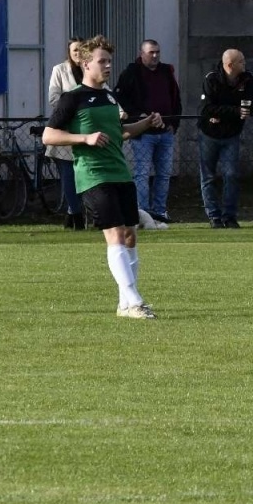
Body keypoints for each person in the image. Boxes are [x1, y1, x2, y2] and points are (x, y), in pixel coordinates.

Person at [42, 36, 164, 319]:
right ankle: (135, 301)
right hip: (93, 175)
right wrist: (84, 138)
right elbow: (49, 135)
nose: (108, 66)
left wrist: (146, 123)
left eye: (109, 61)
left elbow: (119, 133)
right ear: (86, 64)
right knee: (115, 234)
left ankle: (124, 304)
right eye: (102, 61)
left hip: (120, 172)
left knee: (130, 236)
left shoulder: (109, 97)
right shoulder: (72, 98)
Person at [115, 39, 182, 225]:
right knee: (142, 174)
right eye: (151, 52)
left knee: (164, 174)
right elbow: (119, 97)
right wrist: (138, 116)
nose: (155, 56)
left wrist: (173, 123)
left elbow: (175, 98)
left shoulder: (166, 71)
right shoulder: (131, 73)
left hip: (165, 132)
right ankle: (142, 212)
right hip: (143, 133)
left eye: (157, 52)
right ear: (142, 54)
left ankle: (160, 211)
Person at [198, 49, 253, 228]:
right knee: (208, 176)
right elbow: (206, 109)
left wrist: (223, 114)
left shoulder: (248, 80)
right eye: (241, 61)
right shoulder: (211, 79)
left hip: (232, 134)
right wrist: (234, 111)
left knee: (231, 175)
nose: (244, 64)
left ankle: (229, 216)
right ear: (230, 65)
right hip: (209, 134)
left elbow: (249, 107)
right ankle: (214, 216)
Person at [47, 39, 88, 230]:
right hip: (65, 129)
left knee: (84, 174)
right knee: (69, 174)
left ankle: (72, 211)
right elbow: (53, 97)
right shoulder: (60, 70)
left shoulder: (90, 69)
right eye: (75, 50)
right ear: (69, 52)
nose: (78, 53)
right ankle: (77, 215)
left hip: (86, 129)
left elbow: (104, 93)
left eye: (81, 49)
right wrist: (73, 107)